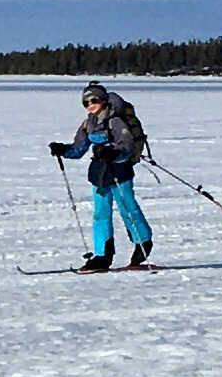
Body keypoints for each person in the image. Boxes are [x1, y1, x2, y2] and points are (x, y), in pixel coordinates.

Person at [49, 83, 153, 271]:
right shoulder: (89, 123)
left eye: (94, 100)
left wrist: (113, 152)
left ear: (103, 100)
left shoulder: (115, 120)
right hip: (99, 173)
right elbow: (78, 149)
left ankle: (143, 243)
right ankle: (102, 255)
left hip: (119, 171)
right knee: (100, 215)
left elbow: (127, 146)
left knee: (128, 208)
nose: (90, 105)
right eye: (86, 102)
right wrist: (63, 150)